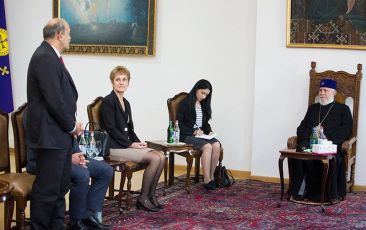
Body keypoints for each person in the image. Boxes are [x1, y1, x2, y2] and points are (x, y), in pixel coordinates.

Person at [26, 18, 83, 229]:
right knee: (47, 191)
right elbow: (54, 99)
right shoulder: (45, 57)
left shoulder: (51, 56)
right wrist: (72, 126)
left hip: (58, 135)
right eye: (68, 32)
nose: (70, 37)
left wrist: (70, 125)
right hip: (50, 137)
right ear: (59, 35)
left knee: (60, 189)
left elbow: (61, 98)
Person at [100, 66, 165, 212]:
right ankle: (143, 199)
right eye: (118, 79)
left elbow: (130, 129)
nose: (121, 82)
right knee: (154, 159)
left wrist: (139, 143)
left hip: (125, 145)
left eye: (124, 79)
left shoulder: (126, 102)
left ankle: (151, 195)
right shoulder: (108, 101)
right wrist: (131, 144)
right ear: (112, 82)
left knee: (161, 156)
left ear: (128, 82)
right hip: (114, 148)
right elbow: (112, 130)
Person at [289, 79, 353, 202]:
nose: (322, 93)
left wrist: (326, 142)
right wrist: (307, 141)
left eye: (325, 90)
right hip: (310, 145)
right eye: (320, 90)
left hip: (330, 146)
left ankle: (327, 195)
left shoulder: (343, 109)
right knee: (298, 155)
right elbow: (302, 127)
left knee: (329, 159)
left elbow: (346, 130)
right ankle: (299, 191)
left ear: (334, 93)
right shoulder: (312, 109)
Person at [176, 79, 221, 191]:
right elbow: (179, 124)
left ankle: (211, 177)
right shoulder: (185, 103)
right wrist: (193, 131)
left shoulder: (203, 104)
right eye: (202, 93)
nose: (204, 96)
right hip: (186, 135)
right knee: (207, 146)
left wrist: (209, 131)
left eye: (206, 94)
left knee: (216, 144)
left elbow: (205, 124)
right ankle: (206, 179)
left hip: (200, 136)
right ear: (196, 89)